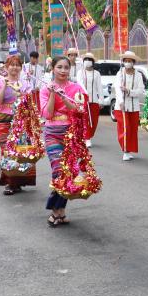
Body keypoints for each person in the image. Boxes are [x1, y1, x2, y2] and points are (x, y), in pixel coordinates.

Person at [40, 56, 89, 226]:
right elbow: (47, 114)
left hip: (71, 134)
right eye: (59, 67)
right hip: (52, 134)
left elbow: (79, 111)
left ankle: (60, 210)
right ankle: (55, 210)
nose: (63, 70)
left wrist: (65, 98)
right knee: (59, 171)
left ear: (70, 69)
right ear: (52, 68)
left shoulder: (76, 88)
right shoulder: (46, 89)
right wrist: (53, 94)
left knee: (70, 172)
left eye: (66, 67)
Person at [0, 54, 36, 195]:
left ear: (20, 68)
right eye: (12, 64)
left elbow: (29, 102)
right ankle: (9, 183)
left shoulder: (25, 83)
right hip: (4, 119)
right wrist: (5, 86)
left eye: (17, 65)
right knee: (7, 151)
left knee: (21, 151)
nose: (14, 67)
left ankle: (19, 181)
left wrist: (21, 95)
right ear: (6, 67)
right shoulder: (0, 82)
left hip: (21, 119)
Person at [113, 50, 146, 161]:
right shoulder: (120, 74)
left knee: (132, 130)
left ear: (133, 62)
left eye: (129, 61)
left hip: (134, 107)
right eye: (125, 60)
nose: (127, 63)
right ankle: (125, 150)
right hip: (121, 107)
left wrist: (128, 91)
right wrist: (121, 102)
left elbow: (140, 91)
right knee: (125, 128)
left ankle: (129, 150)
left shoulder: (138, 75)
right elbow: (117, 89)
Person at [77, 52, 107, 148]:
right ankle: (87, 138)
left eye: (89, 60)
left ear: (93, 62)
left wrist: (101, 100)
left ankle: (89, 135)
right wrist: (84, 92)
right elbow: (79, 84)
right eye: (86, 59)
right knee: (85, 119)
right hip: (83, 100)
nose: (87, 61)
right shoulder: (80, 72)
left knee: (94, 121)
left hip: (94, 100)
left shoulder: (97, 73)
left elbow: (99, 87)